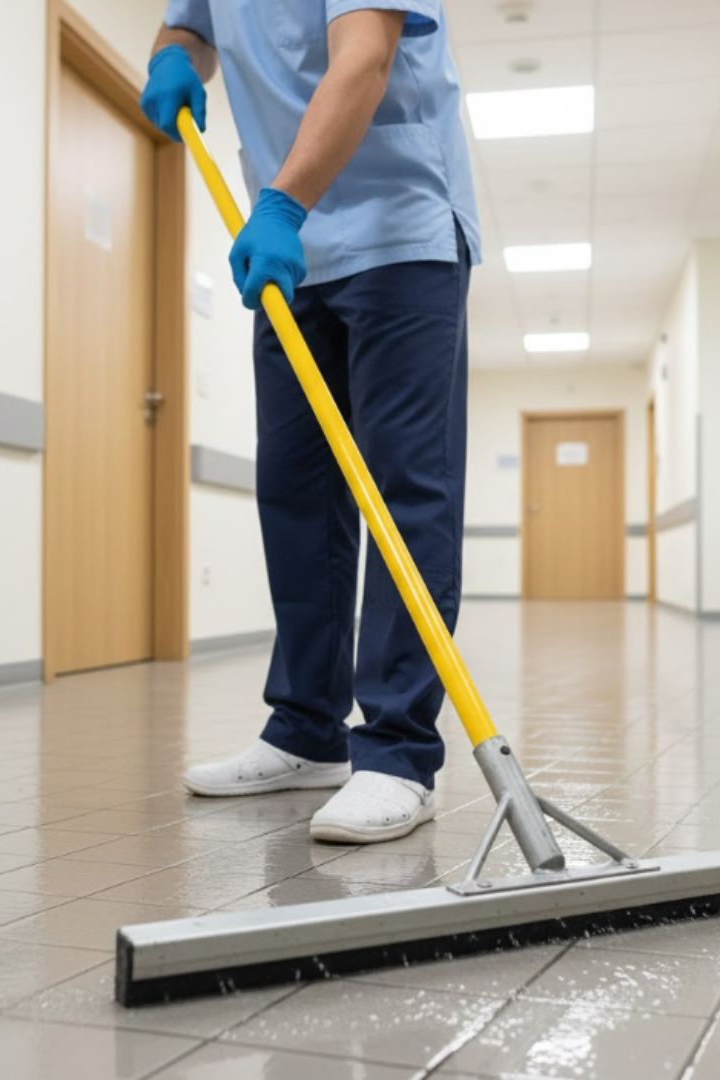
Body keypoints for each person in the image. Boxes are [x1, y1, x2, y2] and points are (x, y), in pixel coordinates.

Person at [141, 1, 480, 844]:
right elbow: (189, 27)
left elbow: (363, 57)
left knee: (405, 490)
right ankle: (306, 731)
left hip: (398, 231)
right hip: (292, 247)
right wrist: (173, 57)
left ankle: (399, 752)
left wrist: (285, 203)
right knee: (294, 493)